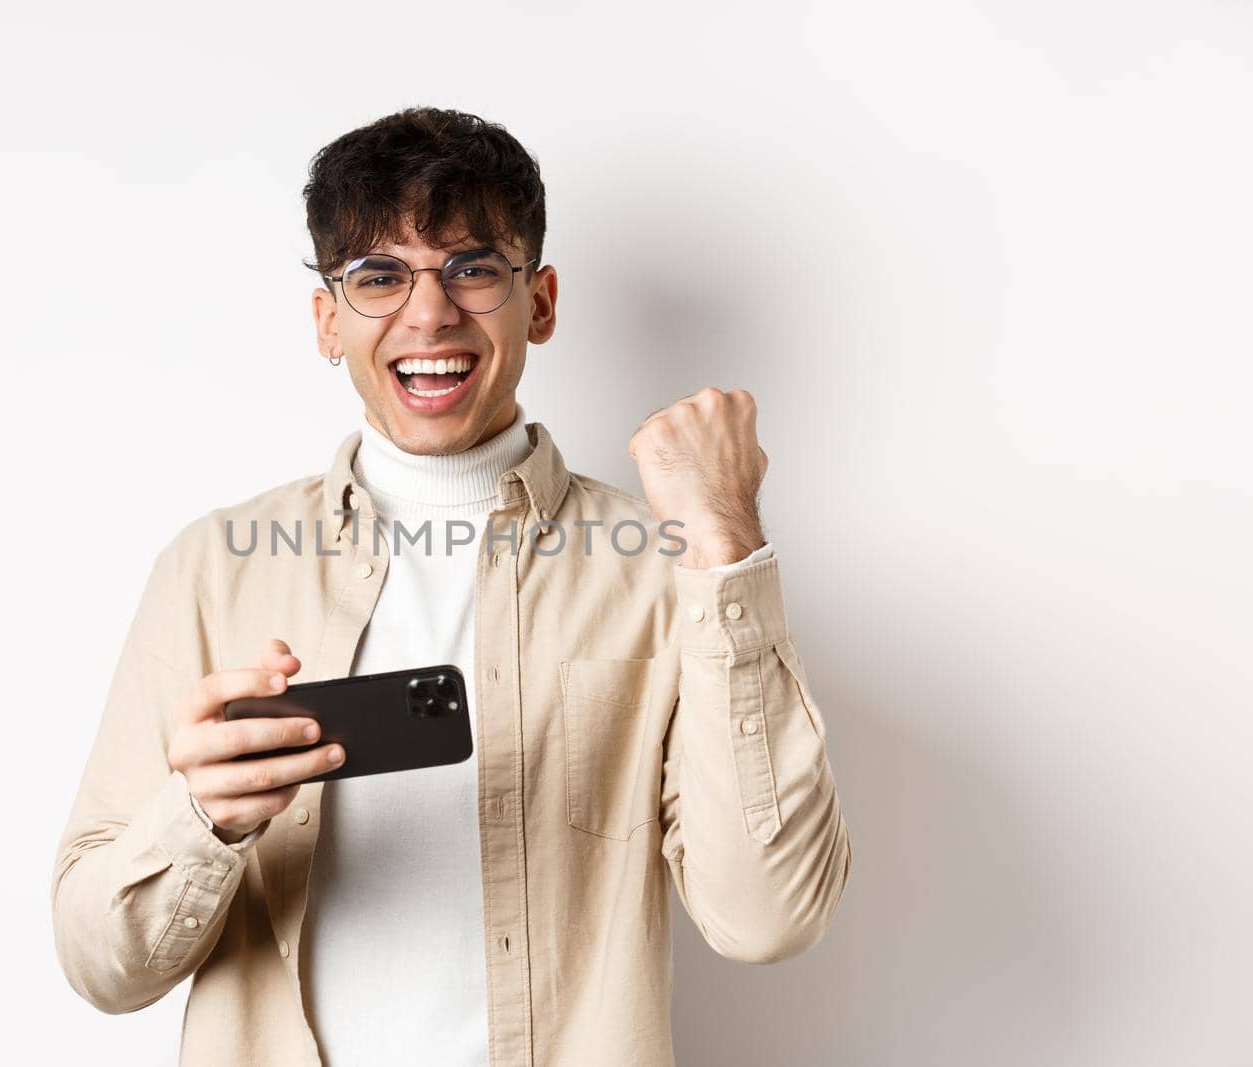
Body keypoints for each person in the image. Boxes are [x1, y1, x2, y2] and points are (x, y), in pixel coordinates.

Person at [50, 105, 852, 1067]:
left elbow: (769, 918)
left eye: (472, 268)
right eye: (378, 277)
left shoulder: (665, 567)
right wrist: (202, 818)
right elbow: (102, 968)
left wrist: (725, 540)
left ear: (540, 303)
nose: (429, 314)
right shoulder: (215, 569)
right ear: (327, 321)